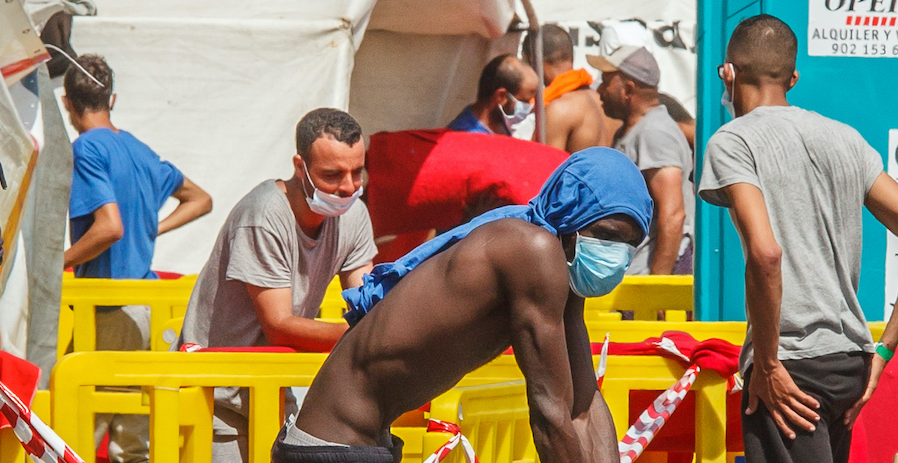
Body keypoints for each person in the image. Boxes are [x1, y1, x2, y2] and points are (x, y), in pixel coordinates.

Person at [272, 147, 653, 463]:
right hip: (332, 445)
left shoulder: (560, 269)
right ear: (572, 217)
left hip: (357, 442)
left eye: (629, 245)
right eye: (606, 236)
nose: (616, 255)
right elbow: (551, 414)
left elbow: (584, 404)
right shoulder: (532, 251)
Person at [698, 14, 898, 463]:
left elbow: (766, 254)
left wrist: (766, 364)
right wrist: (883, 351)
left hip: (789, 368)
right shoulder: (846, 139)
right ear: (793, 78)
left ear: (727, 72)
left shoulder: (732, 142)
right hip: (849, 363)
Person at [174, 108, 378, 463]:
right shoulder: (264, 214)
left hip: (277, 393)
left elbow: (368, 304)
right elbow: (279, 326)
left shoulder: (353, 214)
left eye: (356, 172)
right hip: (215, 399)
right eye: (332, 175)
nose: (347, 187)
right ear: (300, 167)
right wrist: (369, 335)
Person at [62, 54, 212, 463]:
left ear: (67, 102)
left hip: (108, 309)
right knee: (133, 443)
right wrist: (154, 228)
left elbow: (109, 227)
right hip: (149, 306)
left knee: (74, 428)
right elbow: (201, 199)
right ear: (112, 99)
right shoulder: (139, 150)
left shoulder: (86, 148)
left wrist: (58, 261)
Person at [591, 45, 694, 275]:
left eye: (606, 82)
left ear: (628, 90)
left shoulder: (654, 133)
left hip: (652, 277)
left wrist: (658, 287)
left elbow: (673, 215)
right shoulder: (632, 132)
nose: (599, 90)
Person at [522, 24, 610, 152]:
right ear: (571, 56)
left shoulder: (559, 109)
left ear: (534, 61)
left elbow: (545, 168)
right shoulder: (606, 102)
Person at [447, 53, 539, 136]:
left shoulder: (499, 125)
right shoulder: (464, 136)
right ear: (500, 97)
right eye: (525, 101)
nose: (532, 107)